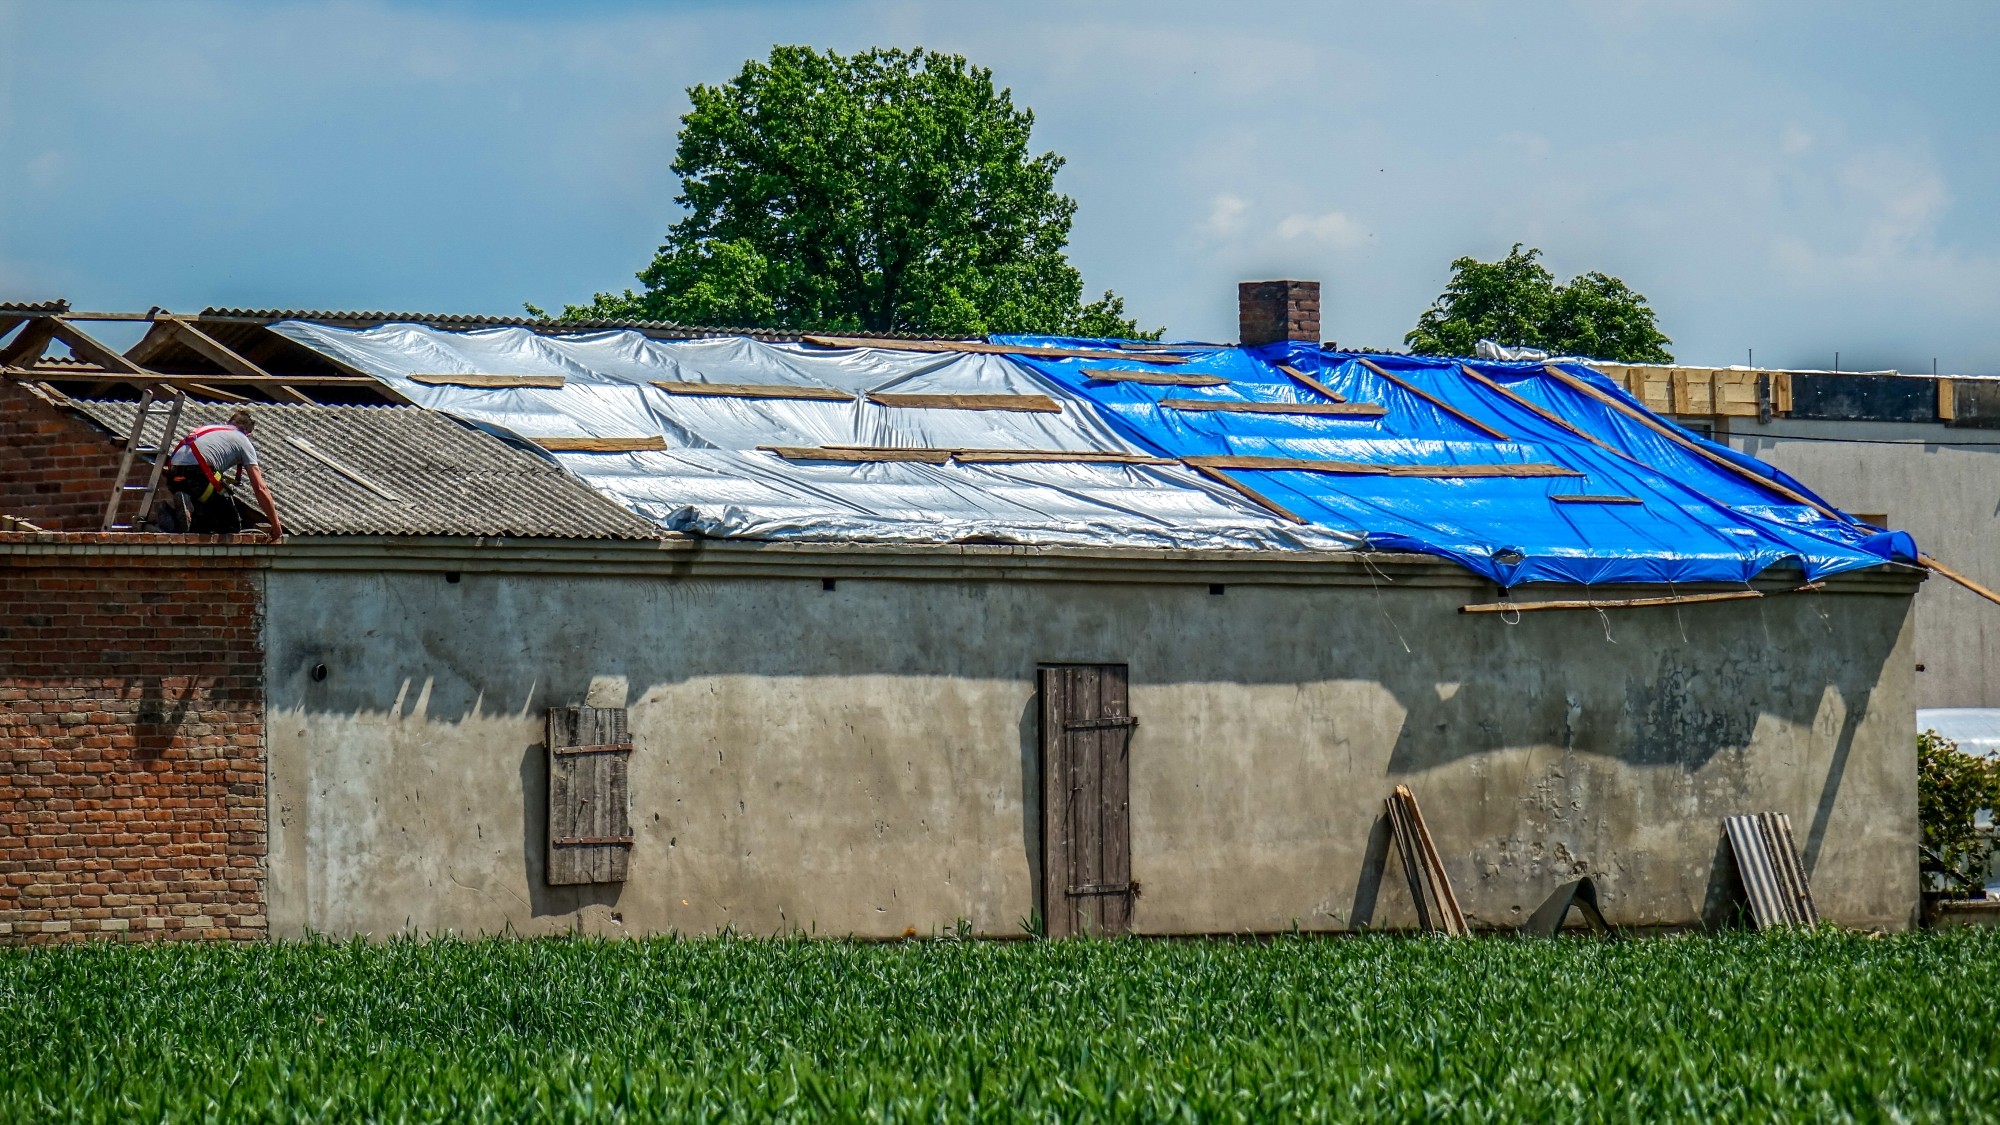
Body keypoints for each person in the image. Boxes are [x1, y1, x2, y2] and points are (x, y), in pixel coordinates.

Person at [162, 410, 284, 540]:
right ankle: (190, 505)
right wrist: (276, 524)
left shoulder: (209, 428)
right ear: (248, 433)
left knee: (206, 517)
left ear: (229, 423)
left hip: (174, 475)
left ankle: (184, 511)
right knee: (231, 524)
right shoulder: (243, 441)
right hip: (196, 475)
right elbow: (260, 488)